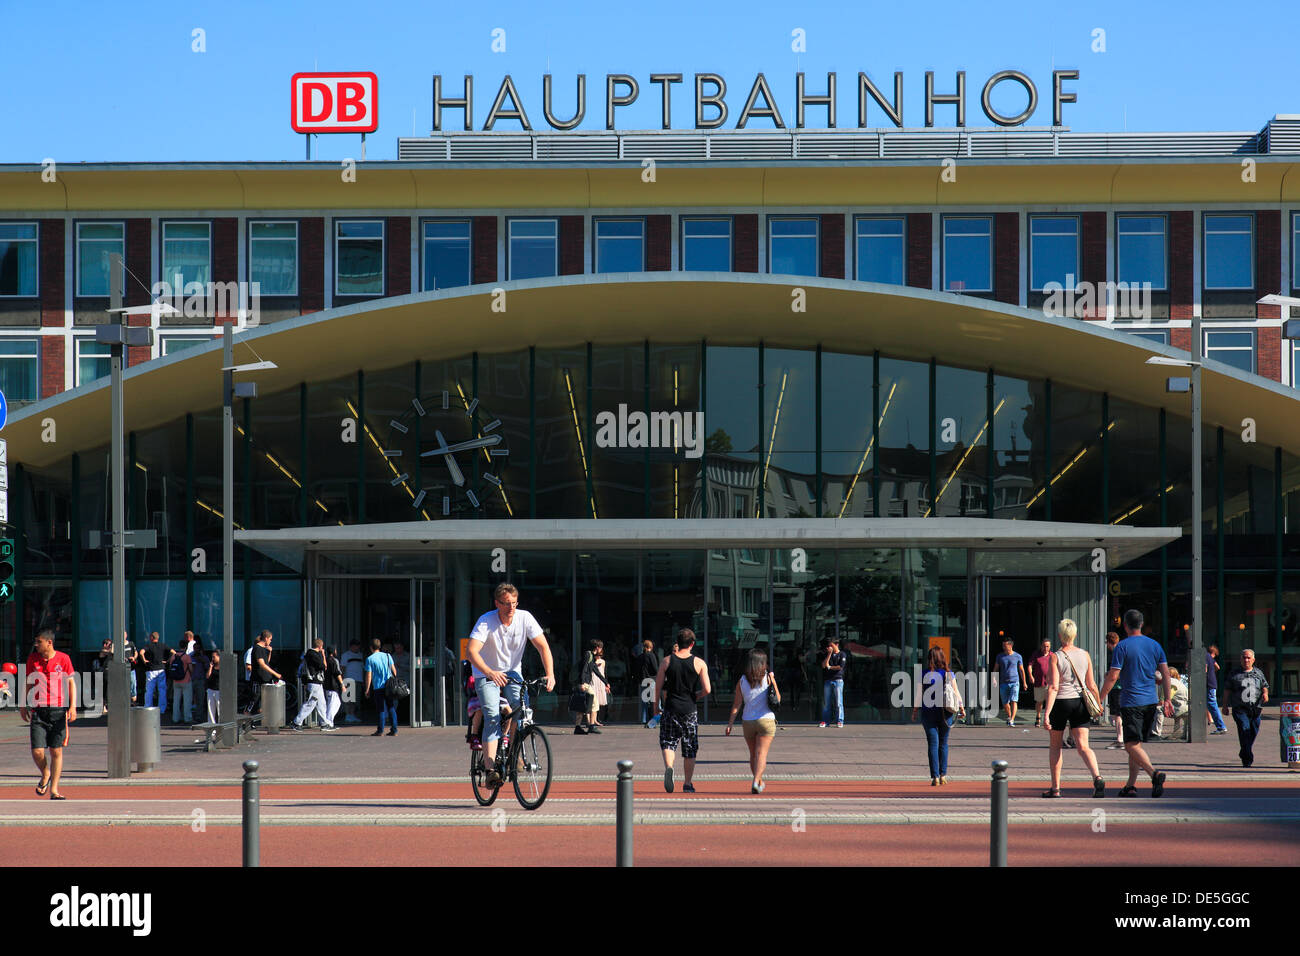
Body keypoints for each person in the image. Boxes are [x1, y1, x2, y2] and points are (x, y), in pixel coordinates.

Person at [466, 583, 556, 786]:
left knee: (521, 710)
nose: (511, 608)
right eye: (506, 604)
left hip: (512, 671)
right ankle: (490, 770)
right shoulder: (486, 621)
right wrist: (489, 672)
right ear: (497, 603)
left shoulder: (525, 618)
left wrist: (550, 674)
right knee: (492, 715)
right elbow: (471, 651)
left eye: (514, 603)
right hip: (485, 672)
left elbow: (543, 647)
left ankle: (513, 754)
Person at [1098, 609, 1173, 798]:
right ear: (1141, 624)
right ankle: (1130, 786)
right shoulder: (1155, 645)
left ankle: (1154, 774)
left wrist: (1099, 698)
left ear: (1125, 625)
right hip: (1151, 702)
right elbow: (1165, 673)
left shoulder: (1121, 647)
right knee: (1136, 745)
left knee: (1130, 745)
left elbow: (1113, 676)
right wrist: (1168, 699)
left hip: (1131, 702)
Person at [1041, 619, 1105, 798]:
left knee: (1055, 746)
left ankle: (1056, 788)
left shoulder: (1056, 656)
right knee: (1084, 746)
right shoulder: (1085, 655)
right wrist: (1099, 704)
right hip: (1080, 702)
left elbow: (1053, 687)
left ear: (1060, 635)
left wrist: (1046, 714)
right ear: (1075, 635)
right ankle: (1097, 777)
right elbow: (1091, 684)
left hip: (1061, 702)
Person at [19, 629, 77, 800]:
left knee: (56, 751)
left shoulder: (63, 659)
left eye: (39, 642)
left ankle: (54, 790)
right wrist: (23, 705)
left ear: (49, 642)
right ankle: (46, 773)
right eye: (36, 642)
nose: (36, 645)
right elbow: (28, 682)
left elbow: (71, 683)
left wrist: (72, 706)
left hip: (58, 711)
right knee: (37, 751)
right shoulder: (33, 659)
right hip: (39, 711)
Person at [653, 628, 711, 793]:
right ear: (692, 644)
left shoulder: (666, 661)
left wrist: (656, 706)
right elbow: (707, 689)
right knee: (690, 746)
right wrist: (696, 696)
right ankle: (687, 783)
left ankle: (669, 767)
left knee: (667, 741)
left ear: (677, 643)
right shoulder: (699, 663)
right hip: (689, 709)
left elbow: (657, 686)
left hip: (671, 707)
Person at [726, 648, 781, 793]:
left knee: (753, 754)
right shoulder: (768, 677)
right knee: (761, 754)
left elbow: (737, 704)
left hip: (748, 721)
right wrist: (773, 681)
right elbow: (778, 698)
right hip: (766, 720)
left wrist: (730, 723)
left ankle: (758, 781)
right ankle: (756, 781)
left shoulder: (742, 680)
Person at [911, 645, 965, 786]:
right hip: (945, 712)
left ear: (929, 659)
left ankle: (934, 776)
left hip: (928, 713)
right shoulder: (948, 673)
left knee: (932, 744)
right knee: (944, 743)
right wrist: (961, 707)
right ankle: (943, 775)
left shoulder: (923, 674)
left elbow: (919, 694)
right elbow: (956, 692)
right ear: (943, 658)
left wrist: (915, 710)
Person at [1223, 648, 1269, 768]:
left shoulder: (1258, 672)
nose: (1246, 660)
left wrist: (1265, 694)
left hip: (1256, 708)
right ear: (1240, 659)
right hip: (1240, 708)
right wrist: (1225, 706)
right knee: (1244, 729)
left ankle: (1244, 751)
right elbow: (1227, 690)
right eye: (1244, 657)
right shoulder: (1234, 673)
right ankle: (1247, 758)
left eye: (1249, 657)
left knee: (1253, 730)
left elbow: (1264, 685)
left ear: (1253, 659)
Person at [292, 638, 335, 732]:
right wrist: (323, 655)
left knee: (321, 703)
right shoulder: (313, 655)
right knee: (310, 703)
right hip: (314, 682)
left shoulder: (309, 654)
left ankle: (324, 723)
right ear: (320, 646)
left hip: (316, 683)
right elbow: (324, 666)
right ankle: (296, 722)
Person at [363, 638, 398, 737]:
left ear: (371, 648)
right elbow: (394, 671)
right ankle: (394, 730)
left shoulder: (370, 659)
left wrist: (367, 689)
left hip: (378, 686)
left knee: (381, 709)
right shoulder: (387, 656)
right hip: (389, 686)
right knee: (391, 707)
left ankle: (380, 730)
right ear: (380, 646)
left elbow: (369, 675)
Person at [994, 639, 1027, 726]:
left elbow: (1021, 670)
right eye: (1003, 645)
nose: (1004, 647)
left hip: (1015, 681)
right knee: (1005, 703)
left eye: (1005, 645)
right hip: (1003, 682)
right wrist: (994, 679)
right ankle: (1009, 716)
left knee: (1013, 700)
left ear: (1010, 646)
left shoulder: (1018, 656)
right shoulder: (1000, 656)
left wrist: (1024, 682)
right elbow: (996, 668)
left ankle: (1012, 719)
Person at [249, 630, 280, 713]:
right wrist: (275, 673)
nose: (270, 641)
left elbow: (266, 662)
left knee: (261, 701)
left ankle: (256, 721)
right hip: (257, 679)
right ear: (266, 638)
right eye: (270, 639)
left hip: (264, 678)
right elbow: (262, 664)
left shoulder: (263, 649)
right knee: (254, 700)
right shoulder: (257, 649)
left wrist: (269, 652)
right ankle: (246, 718)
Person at [819, 638, 848, 728]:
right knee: (826, 702)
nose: (829, 648)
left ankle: (840, 720)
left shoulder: (842, 654)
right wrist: (829, 654)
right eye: (829, 646)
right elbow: (824, 665)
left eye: (831, 645)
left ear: (836, 645)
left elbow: (840, 666)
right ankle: (825, 721)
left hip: (838, 680)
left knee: (838, 702)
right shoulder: (828, 654)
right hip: (828, 680)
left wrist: (830, 667)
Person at [1103, 631, 1124, 749]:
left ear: (1109, 642)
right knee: (1116, 715)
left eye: (1107, 642)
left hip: (1117, 687)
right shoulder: (1122, 650)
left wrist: (1109, 675)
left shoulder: (1117, 652)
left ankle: (1120, 739)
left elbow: (1118, 671)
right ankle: (1121, 738)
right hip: (1122, 686)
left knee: (1117, 715)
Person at [141, 631, 170, 711]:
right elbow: (173, 652)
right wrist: (167, 661)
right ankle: (162, 708)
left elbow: (141, 652)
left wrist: (144, 660)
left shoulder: (148, 646)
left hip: (151, 669)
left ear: (151, 637)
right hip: (161, 668)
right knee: (162, 690)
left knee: (149, 690)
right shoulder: (163, 645)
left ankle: (148, 707)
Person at [1028, 638, 1053, 728]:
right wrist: (1031, 676)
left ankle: (1047, 718)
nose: (1045, 648)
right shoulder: (1036, 654)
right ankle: (1038, 716)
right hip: (1039, 681)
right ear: (1041, 646)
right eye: (1044, 646)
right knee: (1039, 701)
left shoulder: (1052, 655)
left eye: (1047, 646)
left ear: (1050, 647)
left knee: (1049, 701)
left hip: (1050, 682)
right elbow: (1030, 665)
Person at [587, 639, 611, 730]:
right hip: (592, 681)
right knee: (592, 702)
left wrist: (605, 683)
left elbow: (603, 673)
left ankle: (595, 720)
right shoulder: (590, 658)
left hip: (599, 681)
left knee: (597, 703)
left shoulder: (603, 662)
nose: (599, 656)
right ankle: (591, 722)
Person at [340, 639, 365, 724]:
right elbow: (342, 668)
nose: (357, 648)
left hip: (358, 679)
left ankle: (352, 715)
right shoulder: (346, 655)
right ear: (351, 646)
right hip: (348, 679)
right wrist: (342, 680)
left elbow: (363, 668)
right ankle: (348, 715)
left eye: (358, 646)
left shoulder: (361, 655)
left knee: (355, 699)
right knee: (348, 699)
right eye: (355, 646)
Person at [169, 641, 194, 725]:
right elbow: (190, 669)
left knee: (176, 701)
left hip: (176, 681)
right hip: (186, 681)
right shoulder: (187, 657)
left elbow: (171, 668)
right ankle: (187, 718)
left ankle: (175, 718)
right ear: (186, 647)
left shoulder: (173, 656)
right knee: (187, 700)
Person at [636, 639, 659, 727]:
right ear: (651, 647)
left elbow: (637, 670)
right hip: (651, 679)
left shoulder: (640, 657)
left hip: (643, 680)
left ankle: (644, 719)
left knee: (644, 701)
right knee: (652, 701)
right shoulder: (651, 656)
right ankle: (652, 720)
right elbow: (655, 668)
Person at [1206, 644, 1227, 734]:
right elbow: (1218, 667)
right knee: (1211, 704)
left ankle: (1221, 726)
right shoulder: (1212, 659)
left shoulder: (1206, 657)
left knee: (1212, 704)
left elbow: (1204, 669)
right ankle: (1220, 726)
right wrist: (1212, 672)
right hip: (1213, 682)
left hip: (1209, 684)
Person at [323, 646, 345, 730]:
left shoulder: (325, 660)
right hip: (333, 685)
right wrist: (342, 684)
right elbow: (337, 673)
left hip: (326, 685)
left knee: (331, 704)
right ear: (333, 651)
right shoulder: (334, 661)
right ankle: (328, 722)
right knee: (333, 704)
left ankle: (329, 722)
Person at [205, 649, 222, 723]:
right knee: (210, 710)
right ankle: (211, 727)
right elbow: (207, 676)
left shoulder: (223, 666)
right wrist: (210, 667)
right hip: (211, 689)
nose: (212, 659)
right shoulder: (212, 666)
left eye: (214, 657)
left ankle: (221, 727)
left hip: (219, 690)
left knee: (220, 710)